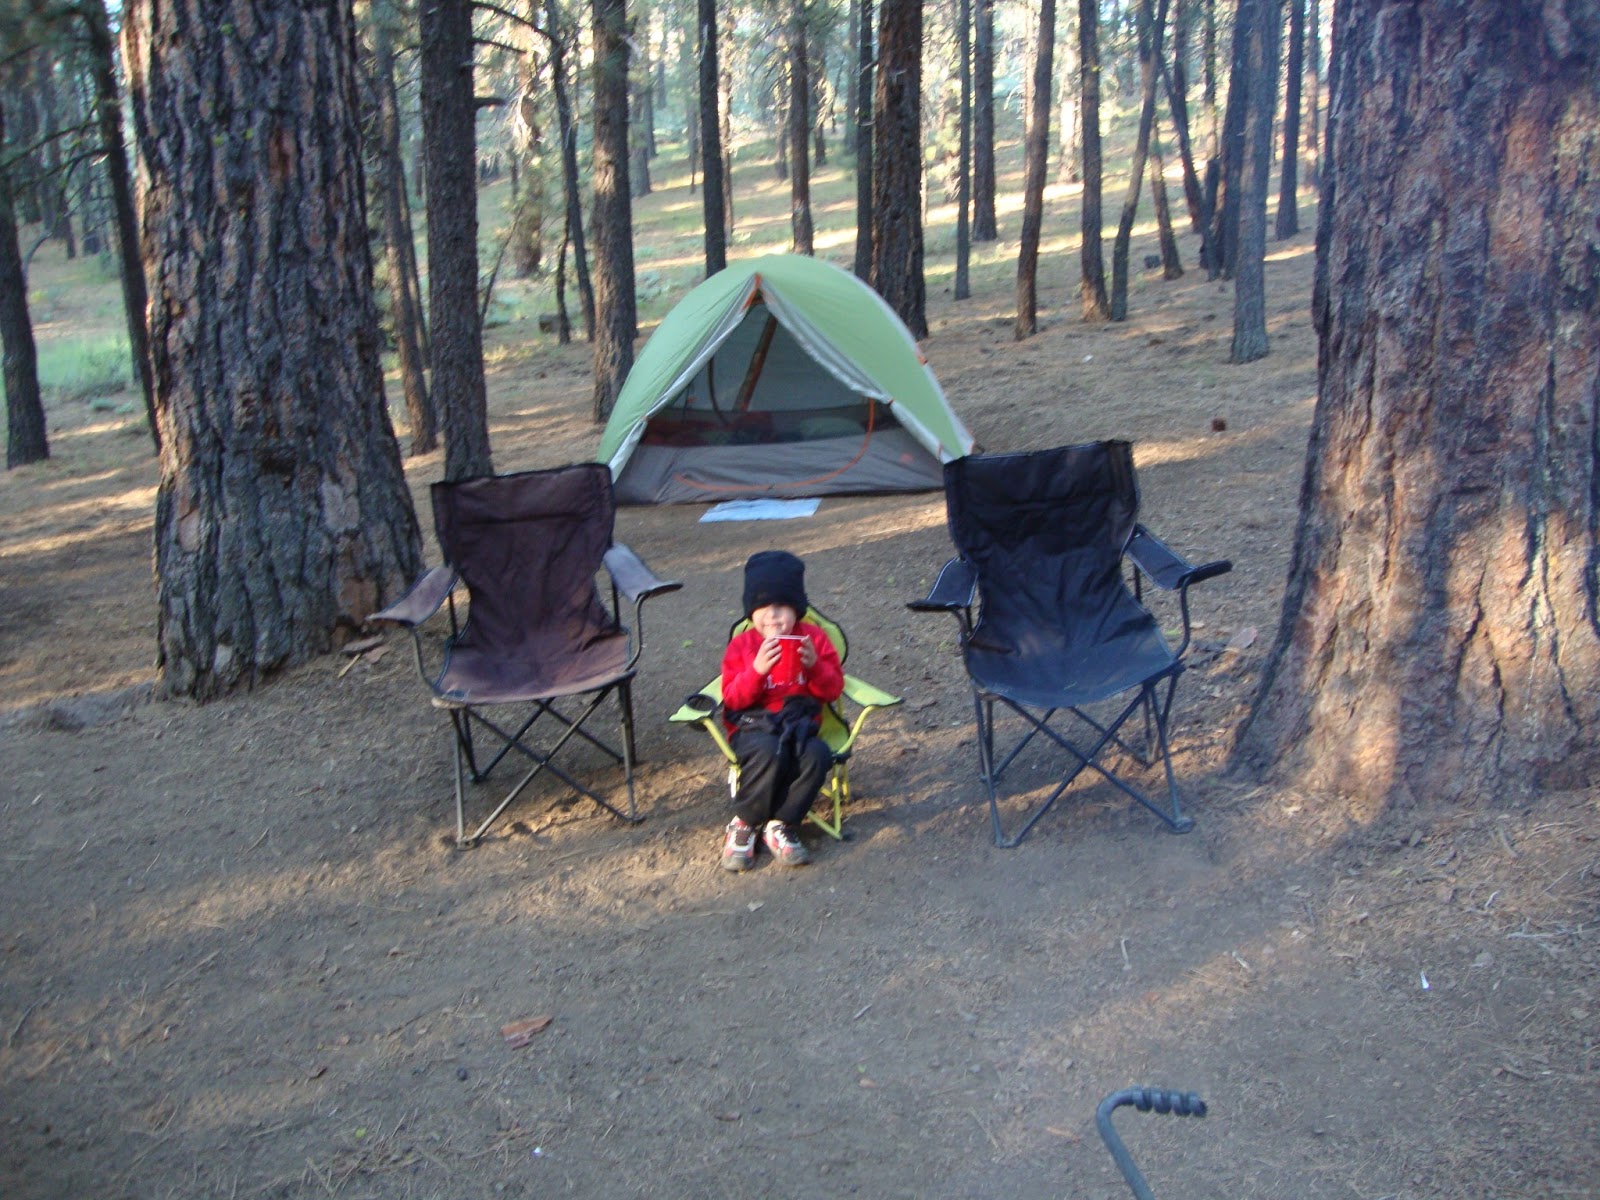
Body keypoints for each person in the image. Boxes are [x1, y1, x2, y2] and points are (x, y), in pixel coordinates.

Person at [718, 550, 844, 871]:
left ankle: (780, 823)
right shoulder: (742, 646)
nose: (772, 616)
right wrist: (757, 670)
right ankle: (744, 822)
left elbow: (832, 689)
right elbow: (732, 699)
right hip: (753, 725)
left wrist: (814, 666)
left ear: (797, 609)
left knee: (817, 755)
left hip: (798, 723)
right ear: (751, 611)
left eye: (782, 607)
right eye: (762, 607)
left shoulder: (813, 639)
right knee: (768, 750)